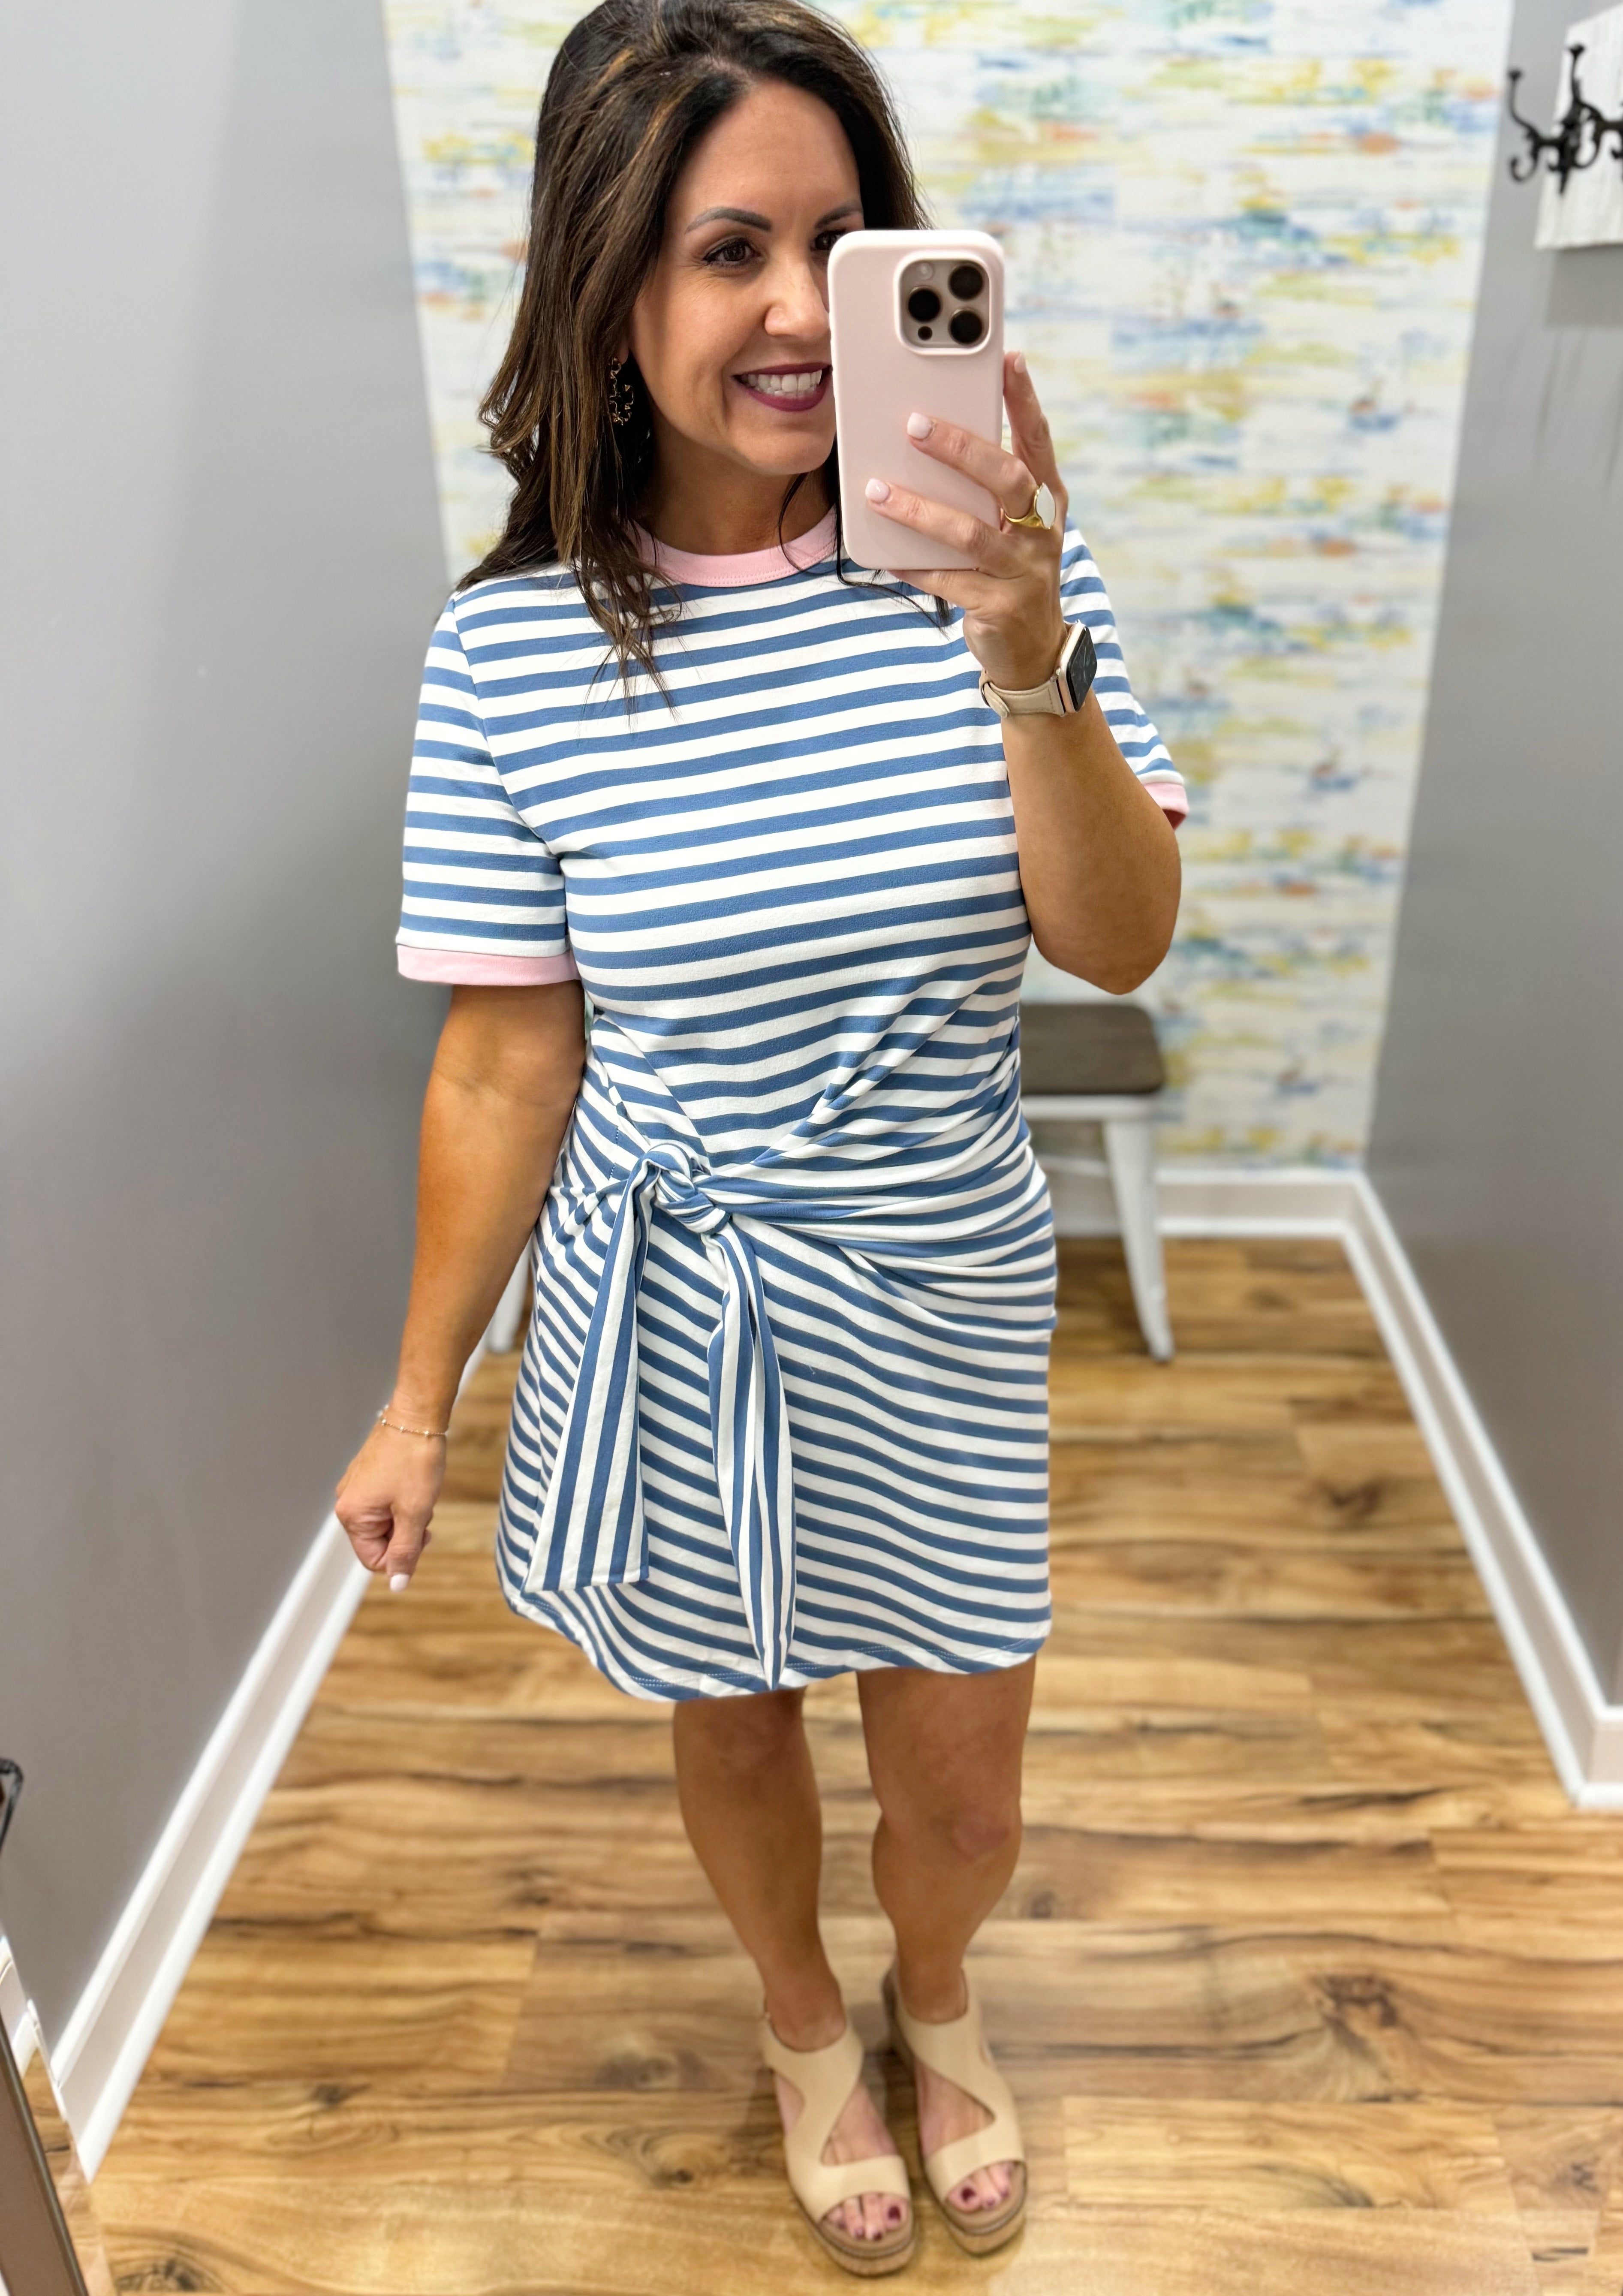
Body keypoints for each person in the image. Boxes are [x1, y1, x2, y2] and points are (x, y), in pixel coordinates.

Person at [334, 0, 1183, 2272]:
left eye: (845, 242)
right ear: (609, 292)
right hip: (671, 1298)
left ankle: (942, 1986)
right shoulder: (512, 657)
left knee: (961, 1778)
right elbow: (507, 1063)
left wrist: (1027, 648)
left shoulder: (1006, 572)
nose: (805, 312)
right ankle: (809, 2029)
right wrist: (420, 1396)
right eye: (730, 251)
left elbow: (1117, 945)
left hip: (937, 1279)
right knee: (730, 1724)